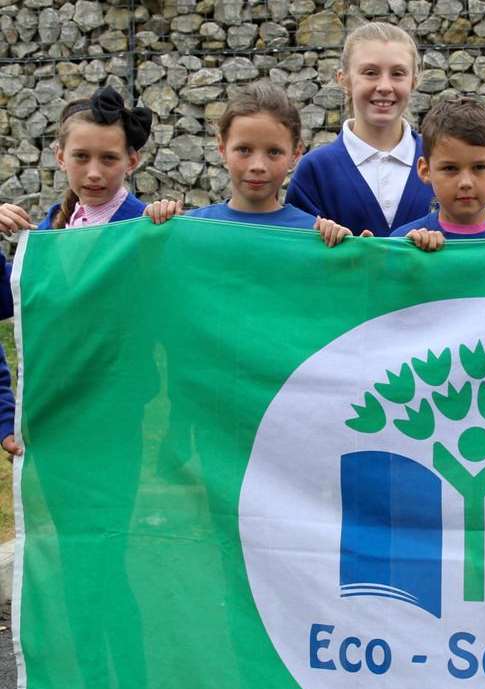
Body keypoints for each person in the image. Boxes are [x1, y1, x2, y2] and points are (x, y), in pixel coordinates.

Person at [0, 85, 155, 459]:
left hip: (115, 410)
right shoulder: (48, 231)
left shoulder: (147, 228)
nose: (94, 172)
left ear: (131, 161)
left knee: (110, 513)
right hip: (52, 405)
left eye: (109, 158)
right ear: (60, 156)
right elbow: (11, 304)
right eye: (81, 157)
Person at [145, 82, 352, 245]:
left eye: (274, 152)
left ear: (295, 154)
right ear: (222, 148)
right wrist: (153, 228)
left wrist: (349, 253)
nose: (258, 165)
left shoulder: (314, 236)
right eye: (244, 150)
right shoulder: (189, 228)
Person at [284, 21, 434, 237]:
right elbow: (298, 255)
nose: (384, 86)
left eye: (398, 73)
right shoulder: (316, 170)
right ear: (344, 79)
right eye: (370, 72)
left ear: (414, 81)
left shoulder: (441, 162)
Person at [390, 96, 485, 251]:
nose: (466, 182)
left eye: (479, 167)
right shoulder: (405, 245)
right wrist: (407, 259)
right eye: (450, 169)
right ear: (425, 170)